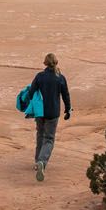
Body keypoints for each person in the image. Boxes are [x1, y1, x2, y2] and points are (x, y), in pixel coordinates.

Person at [23, 53, 71, 182]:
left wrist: (25, 104)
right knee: (49, 139)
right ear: (56, 62)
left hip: (41, 112)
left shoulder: (40, 77)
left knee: (40, 135)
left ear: (45, 63)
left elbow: (31, 92)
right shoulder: (60, 78)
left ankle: (37, 162)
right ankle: (42, 162)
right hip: (53, 113)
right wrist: (68, 109)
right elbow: (65, 95)